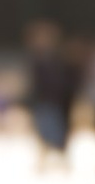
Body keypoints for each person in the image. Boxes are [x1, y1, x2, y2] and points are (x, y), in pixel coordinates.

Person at [24, 23, 80, 163]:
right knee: (46, 131)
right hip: (45, 102)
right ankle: (45, 158)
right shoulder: (38, 60)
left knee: (57, 132)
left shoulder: (58, 59)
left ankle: (59, 158)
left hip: (57, 103)